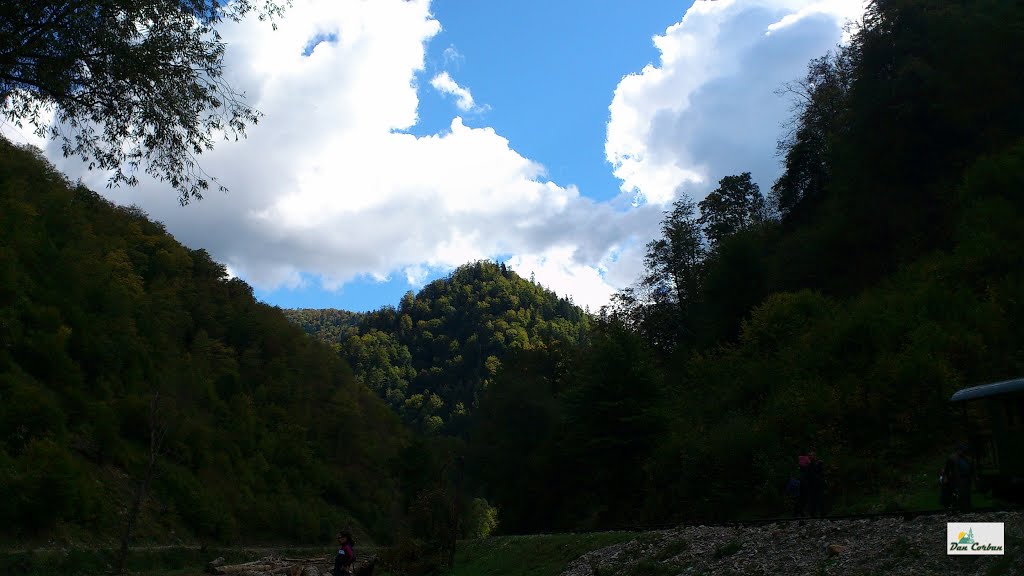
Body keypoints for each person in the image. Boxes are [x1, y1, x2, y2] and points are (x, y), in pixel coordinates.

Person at [804, 451, 825, 518]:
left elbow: (821, 473)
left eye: (812, 455)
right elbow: (807, 476)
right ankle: (813, 513)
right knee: (813, 500)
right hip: (812, 485)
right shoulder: (809, 466)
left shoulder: (818, 464)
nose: (810, 457)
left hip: (817, 484)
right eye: (809, 455)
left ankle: (821, 513)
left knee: (819, 499)